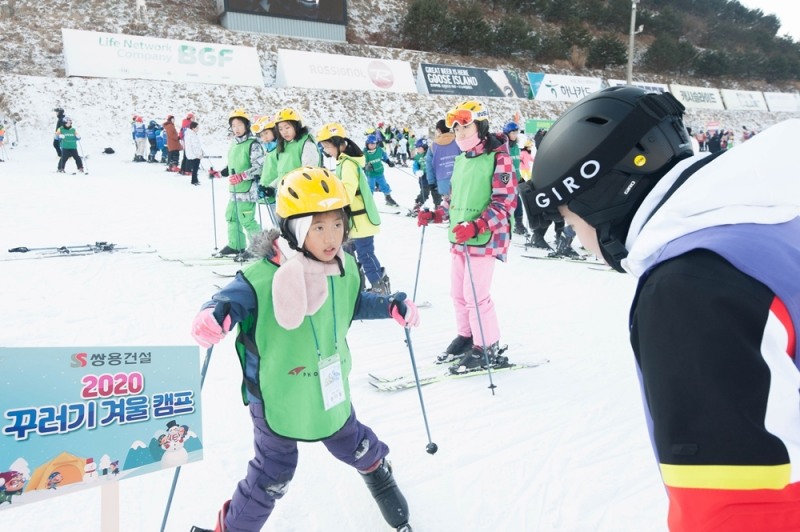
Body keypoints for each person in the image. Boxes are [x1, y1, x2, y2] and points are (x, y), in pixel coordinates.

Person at [519, 85, 800, 531]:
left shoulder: (689, 288)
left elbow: (740, 506)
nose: (578, 240)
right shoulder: (768, 214)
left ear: (599, 197)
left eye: (570, 221)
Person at [189, 167, 418, 532]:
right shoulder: (260, 279)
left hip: (328, 387)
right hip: (277, 394)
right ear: (295, 229)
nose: (332, 239)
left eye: (338, 225)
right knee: (272, 473)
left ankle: (376, 468)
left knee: (353, 443)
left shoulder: (345, 268)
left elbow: (353, 303)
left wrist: (389, 305)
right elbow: (228, 302)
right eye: (318, 227)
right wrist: (214, 316)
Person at [418, 101, 517, 373]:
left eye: (465, 127)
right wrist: (438, 214)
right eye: (456, 129)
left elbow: (506, 201)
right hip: (460, 236)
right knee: (457, 293)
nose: (460, 134)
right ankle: (467, 335)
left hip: (485, 237)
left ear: (480, 126)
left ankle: (487, 345)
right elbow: (455, 199)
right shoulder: (462, 159)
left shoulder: (499, 157)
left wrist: (477, 225)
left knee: (476, 295)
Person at [317, 122, 391, 294]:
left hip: (361, 221)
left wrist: (331, 202)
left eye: (328, 146)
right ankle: (357, 285)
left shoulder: (348, 164)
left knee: (365, 254)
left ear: (337, 143)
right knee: (348, 255)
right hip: (351, 221)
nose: (327, 151)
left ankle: (379, 285)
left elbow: (347, 193)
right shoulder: (343, 162)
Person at [208, 108, 265, 258]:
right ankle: (236, 245)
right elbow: (232, 166)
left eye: (239, 125)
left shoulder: (254, 144)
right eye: (233, 125)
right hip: (235, 189)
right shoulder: (234, 144)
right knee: (231, 216)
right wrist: (219, 173)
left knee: (247, 219)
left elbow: (259, 167)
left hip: (248, 189)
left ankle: (259, 248)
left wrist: (242, 176)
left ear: (246, 125)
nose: (236, 129)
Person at [262, 107, 321, 189]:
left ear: (296, 126)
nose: (284, 132)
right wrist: (271, 188)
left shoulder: (307, 144)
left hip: (300, 194)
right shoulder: (284, 145)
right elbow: (283, 175)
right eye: (280, 129)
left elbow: (309, 174)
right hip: (285, 194)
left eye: (287, 127)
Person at [425, 119, 460, 220]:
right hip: (459, 178)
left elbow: (429, 165)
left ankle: (452, 223)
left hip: (442, 181)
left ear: (439, 130)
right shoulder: (458, 141)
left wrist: (431, 182)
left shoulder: (433, 146)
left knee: (448, 203)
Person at [502, 121, 527, 236]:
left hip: (515, 179)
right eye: (513, 132)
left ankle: (519, 224)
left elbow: (516, 164)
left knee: (517, 201)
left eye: (516, 132)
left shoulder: (516, 147)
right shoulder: (503, 146)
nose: (515, 135)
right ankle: (503, 223)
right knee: (504, 201)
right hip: (505, 179)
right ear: (507, 133)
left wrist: (520, 177)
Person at [410, 138, 443, 218]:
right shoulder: (417, 156)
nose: (417, 149)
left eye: (419, 147)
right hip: (424, 177)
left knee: (436, 192)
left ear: (424, 147)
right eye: (417, 148)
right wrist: (416, 171)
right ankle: (417, 206)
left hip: (433, 176)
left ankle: (438, 207)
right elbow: (415, 165)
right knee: (424, 192)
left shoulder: (432, 153)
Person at [363, 134, 399, 207]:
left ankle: (388, 198)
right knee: (371, 187)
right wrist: (366, 166)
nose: (373, 146)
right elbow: (361, 163)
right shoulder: (365, 153)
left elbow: (384, 157)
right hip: (371, 174)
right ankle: (368, 202)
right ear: (367, 144)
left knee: (384, 185)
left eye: (374, 144)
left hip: (379, 172)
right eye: (371, 144)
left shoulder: (379, 150)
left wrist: (389, 162)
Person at [183, 121, 205, 186]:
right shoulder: (191, 135)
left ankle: (195, 179)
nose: (198, 129)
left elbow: (197, 146)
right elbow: (194, 146)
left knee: (195, 168)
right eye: (197, 127)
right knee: (195, 168)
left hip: (194, 154)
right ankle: (194, 180)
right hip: (194, 155)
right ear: (193, 128)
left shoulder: (191, 134)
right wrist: (198, 154)